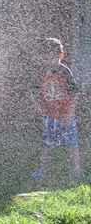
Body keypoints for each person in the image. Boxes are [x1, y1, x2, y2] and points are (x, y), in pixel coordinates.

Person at [32, 36, 82, 180]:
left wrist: (70, 112)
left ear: (61, 55)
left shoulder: (65, 72)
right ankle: (42, 170)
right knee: (47, 144)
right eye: (46, 58)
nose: (49, 62)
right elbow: (32, 92)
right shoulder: (42, 72)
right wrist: (37, 107)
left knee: (72, 144)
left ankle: (76, 170)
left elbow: (75, 93)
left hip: (67, 115)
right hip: (50, 115)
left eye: (53, 58)